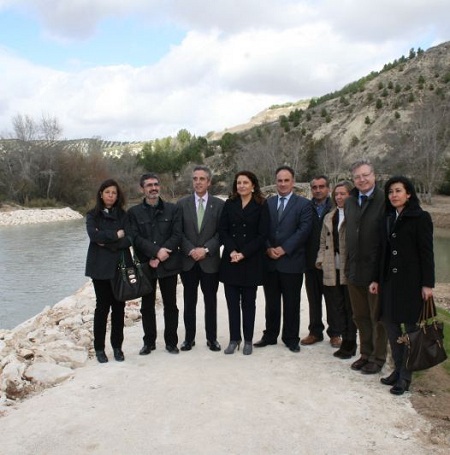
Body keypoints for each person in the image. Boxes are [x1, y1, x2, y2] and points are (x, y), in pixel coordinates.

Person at [369, 176, 434, 395]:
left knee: (412, 331)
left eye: (398, 191)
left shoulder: (420, 218)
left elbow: (427, 253)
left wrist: (427, 284)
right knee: (391, 327)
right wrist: (375, 279)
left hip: (411, 284)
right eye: (390, 192)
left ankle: (405, 377)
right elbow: (381, 253)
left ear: (408, 194)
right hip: (389, 283)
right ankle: (397, 370)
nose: (394, 195)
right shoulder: (387, 218)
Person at [254, 166, 312, 353]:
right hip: (270, 261)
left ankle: (290, 338)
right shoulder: (267, 203)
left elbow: (303, 230)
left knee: (292, 303)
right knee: (271, 303)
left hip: (292, 261)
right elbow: (261, 229)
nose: (283, 184)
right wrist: (269, 248)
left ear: (293, 182)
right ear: (276, 181)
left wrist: (284, 248)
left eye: (286, 180)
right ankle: (270, 335)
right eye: (279, 180)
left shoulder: (303, 204)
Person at [128, 173, 182, 355]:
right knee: (147, 305)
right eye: (149, 185)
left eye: (156, 184)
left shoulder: (172, 210)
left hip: (168, 263)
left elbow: (177, 235)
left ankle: (171, 342)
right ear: (142, 189)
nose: (153, 188)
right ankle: (149, 342)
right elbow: (135, 237)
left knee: (171, 305)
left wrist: (160, 254)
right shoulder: (134, 213)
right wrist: (153, 253)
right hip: (146, 265)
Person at [218, 171, 269, 355]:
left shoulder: (261, 205)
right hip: (231, 261)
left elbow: (263, 235)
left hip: (251, 261)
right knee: (232, 303)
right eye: (238, 182)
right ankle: (234, 339)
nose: (241, 186)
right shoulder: (229, 204)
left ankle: (247, 339)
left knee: (249, 303)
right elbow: (222, 230)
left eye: (245, 182)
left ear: (253, 185)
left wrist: (243, 254)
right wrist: (232, 251)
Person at [345, 159, 387, 374]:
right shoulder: (350, 201)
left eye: (365, 175)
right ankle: (365, 353)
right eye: (357, 177)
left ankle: (378, 358)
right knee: (360, 316)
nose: (361, 179)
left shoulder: (384, 200)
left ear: (374, 175)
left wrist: (380, 274)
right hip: (354, 270)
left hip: (375, 272)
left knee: (377, 317)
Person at [177, 165, 224, 352]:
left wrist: (205, 250)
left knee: (210, 302)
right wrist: (190, 250)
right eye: (195, 179)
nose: (198, 182)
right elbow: (178, 232)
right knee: (189, 302)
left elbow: (221, 233)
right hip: (188, 262)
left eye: (202, 179)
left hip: (210, 262)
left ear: (209, 182)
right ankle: (189, 339)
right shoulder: (181, 204)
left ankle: (212, 339)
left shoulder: (219, 205)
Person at [85, 179, 131, 363]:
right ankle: (99, 348)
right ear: (101, 194)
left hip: (120, 266)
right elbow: (94, 235)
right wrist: (115, 235)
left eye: (114, 192)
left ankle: (117, 347)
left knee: (119, 307)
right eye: (107, 192)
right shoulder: (92, 215)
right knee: (102, 308)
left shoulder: (123, 215)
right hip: (99, 268)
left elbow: (129, 238)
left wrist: (107, 242)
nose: (111, 195)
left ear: (117, 196)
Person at [315, 181, 357, 359]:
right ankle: (340, 337)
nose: (339, 197)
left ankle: (350, 341)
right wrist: (321, 260)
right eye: (337, 194)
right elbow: (323, 241)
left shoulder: (355, 215)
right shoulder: (329, 216)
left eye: (343, 194)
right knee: (336, 304)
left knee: (350, 306)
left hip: (350, 266)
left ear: (350, 195)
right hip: (333, 265)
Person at [302, 175, 339, 347]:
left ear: (328, 188)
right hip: (310, 261)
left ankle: (335, 332)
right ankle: (315, 332)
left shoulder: (336, 207)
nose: (318, 190)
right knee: (313, 298)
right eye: (314, 187)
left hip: (331, 261)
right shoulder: (306, 207)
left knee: (332, 299)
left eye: (321, 186)